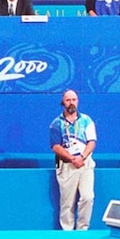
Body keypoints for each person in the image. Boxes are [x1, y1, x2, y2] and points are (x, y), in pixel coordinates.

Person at [49, 89, 97, 231]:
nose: (71, 103)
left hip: (85, 163)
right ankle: (68, 232)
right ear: (63, 102)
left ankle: (82, 229)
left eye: (74, 100)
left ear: (78, 101)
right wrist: (71, 158)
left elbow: (92, 141)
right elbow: (55, 146)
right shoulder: (56, 124)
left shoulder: (87, 121)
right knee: (67, 202)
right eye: (68, 100)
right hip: (66, 165)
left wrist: (82, 157)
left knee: (87, 197)